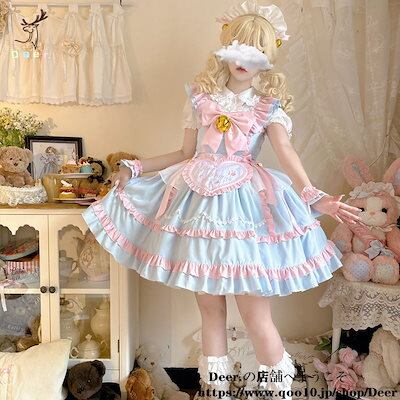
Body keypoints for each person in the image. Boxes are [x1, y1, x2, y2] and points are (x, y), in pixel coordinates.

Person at [82, 2, 361, 399]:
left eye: (256, 48)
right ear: (225, 45)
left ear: (269, 55)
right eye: (239, 43)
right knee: (210, 309)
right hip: (198, 207)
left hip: (245, 212)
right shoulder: (201, 96)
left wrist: (313, 194)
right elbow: (184, 153)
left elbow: (286, 153)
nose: (245, 56)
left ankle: (277, 393)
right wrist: (135, 167)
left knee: (255, 314)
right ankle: (216, 393)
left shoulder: (267, 105)